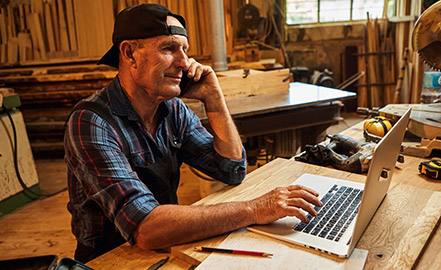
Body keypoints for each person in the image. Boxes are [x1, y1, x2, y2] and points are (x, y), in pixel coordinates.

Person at [64, 3, 321, 263]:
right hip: (110, 260)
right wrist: (253, 209)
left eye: (184, 50)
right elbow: (145, 228)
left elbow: (231, 169)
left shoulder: (172, 108)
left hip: (165, 245)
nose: (184, 63)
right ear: (130, 53)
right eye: (168, 48)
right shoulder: (91, 123)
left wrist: (214, 98)